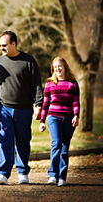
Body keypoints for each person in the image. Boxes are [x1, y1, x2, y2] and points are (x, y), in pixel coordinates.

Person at [0, 31, 43, 185]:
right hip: (3, 108)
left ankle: (23, 173)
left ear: (13, 44)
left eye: (4, 45)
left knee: (23, 141)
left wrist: (38, 105)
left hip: (24, 109)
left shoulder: (28, 61)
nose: (1, 48)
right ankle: (2, 174)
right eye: (0, 46)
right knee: (3, 140)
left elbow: (36, 84)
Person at [39, 57, 80, 187]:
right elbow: (45, 104)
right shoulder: (50, 83)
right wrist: (42, 121)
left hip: (68, 118)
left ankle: (62, 177)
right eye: (55, 67)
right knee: (56, 143)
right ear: (53, 69)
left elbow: (75, 102)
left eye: (60, 66)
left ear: (65, 67)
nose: (57, 68)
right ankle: (52, 175)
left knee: (64, 148)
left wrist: (76, 115)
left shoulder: (73, 83)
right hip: (53, 117)